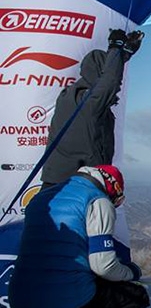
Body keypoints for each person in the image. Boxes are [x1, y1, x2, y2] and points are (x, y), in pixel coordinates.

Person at [7, 164, 149, 308]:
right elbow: (104, 265)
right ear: (112, 186)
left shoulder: (42, 197)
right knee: (131, 296)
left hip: (21, 299)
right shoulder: (97, 201)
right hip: (64, 303)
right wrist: (132, 272)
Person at [40, 29, 144, 189]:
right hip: (79, 185)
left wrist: (123, 54)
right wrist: (116, 47)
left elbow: (107, 79)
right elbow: (110, 81)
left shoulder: (68, 96)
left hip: (54, 182)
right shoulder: (91, 103)